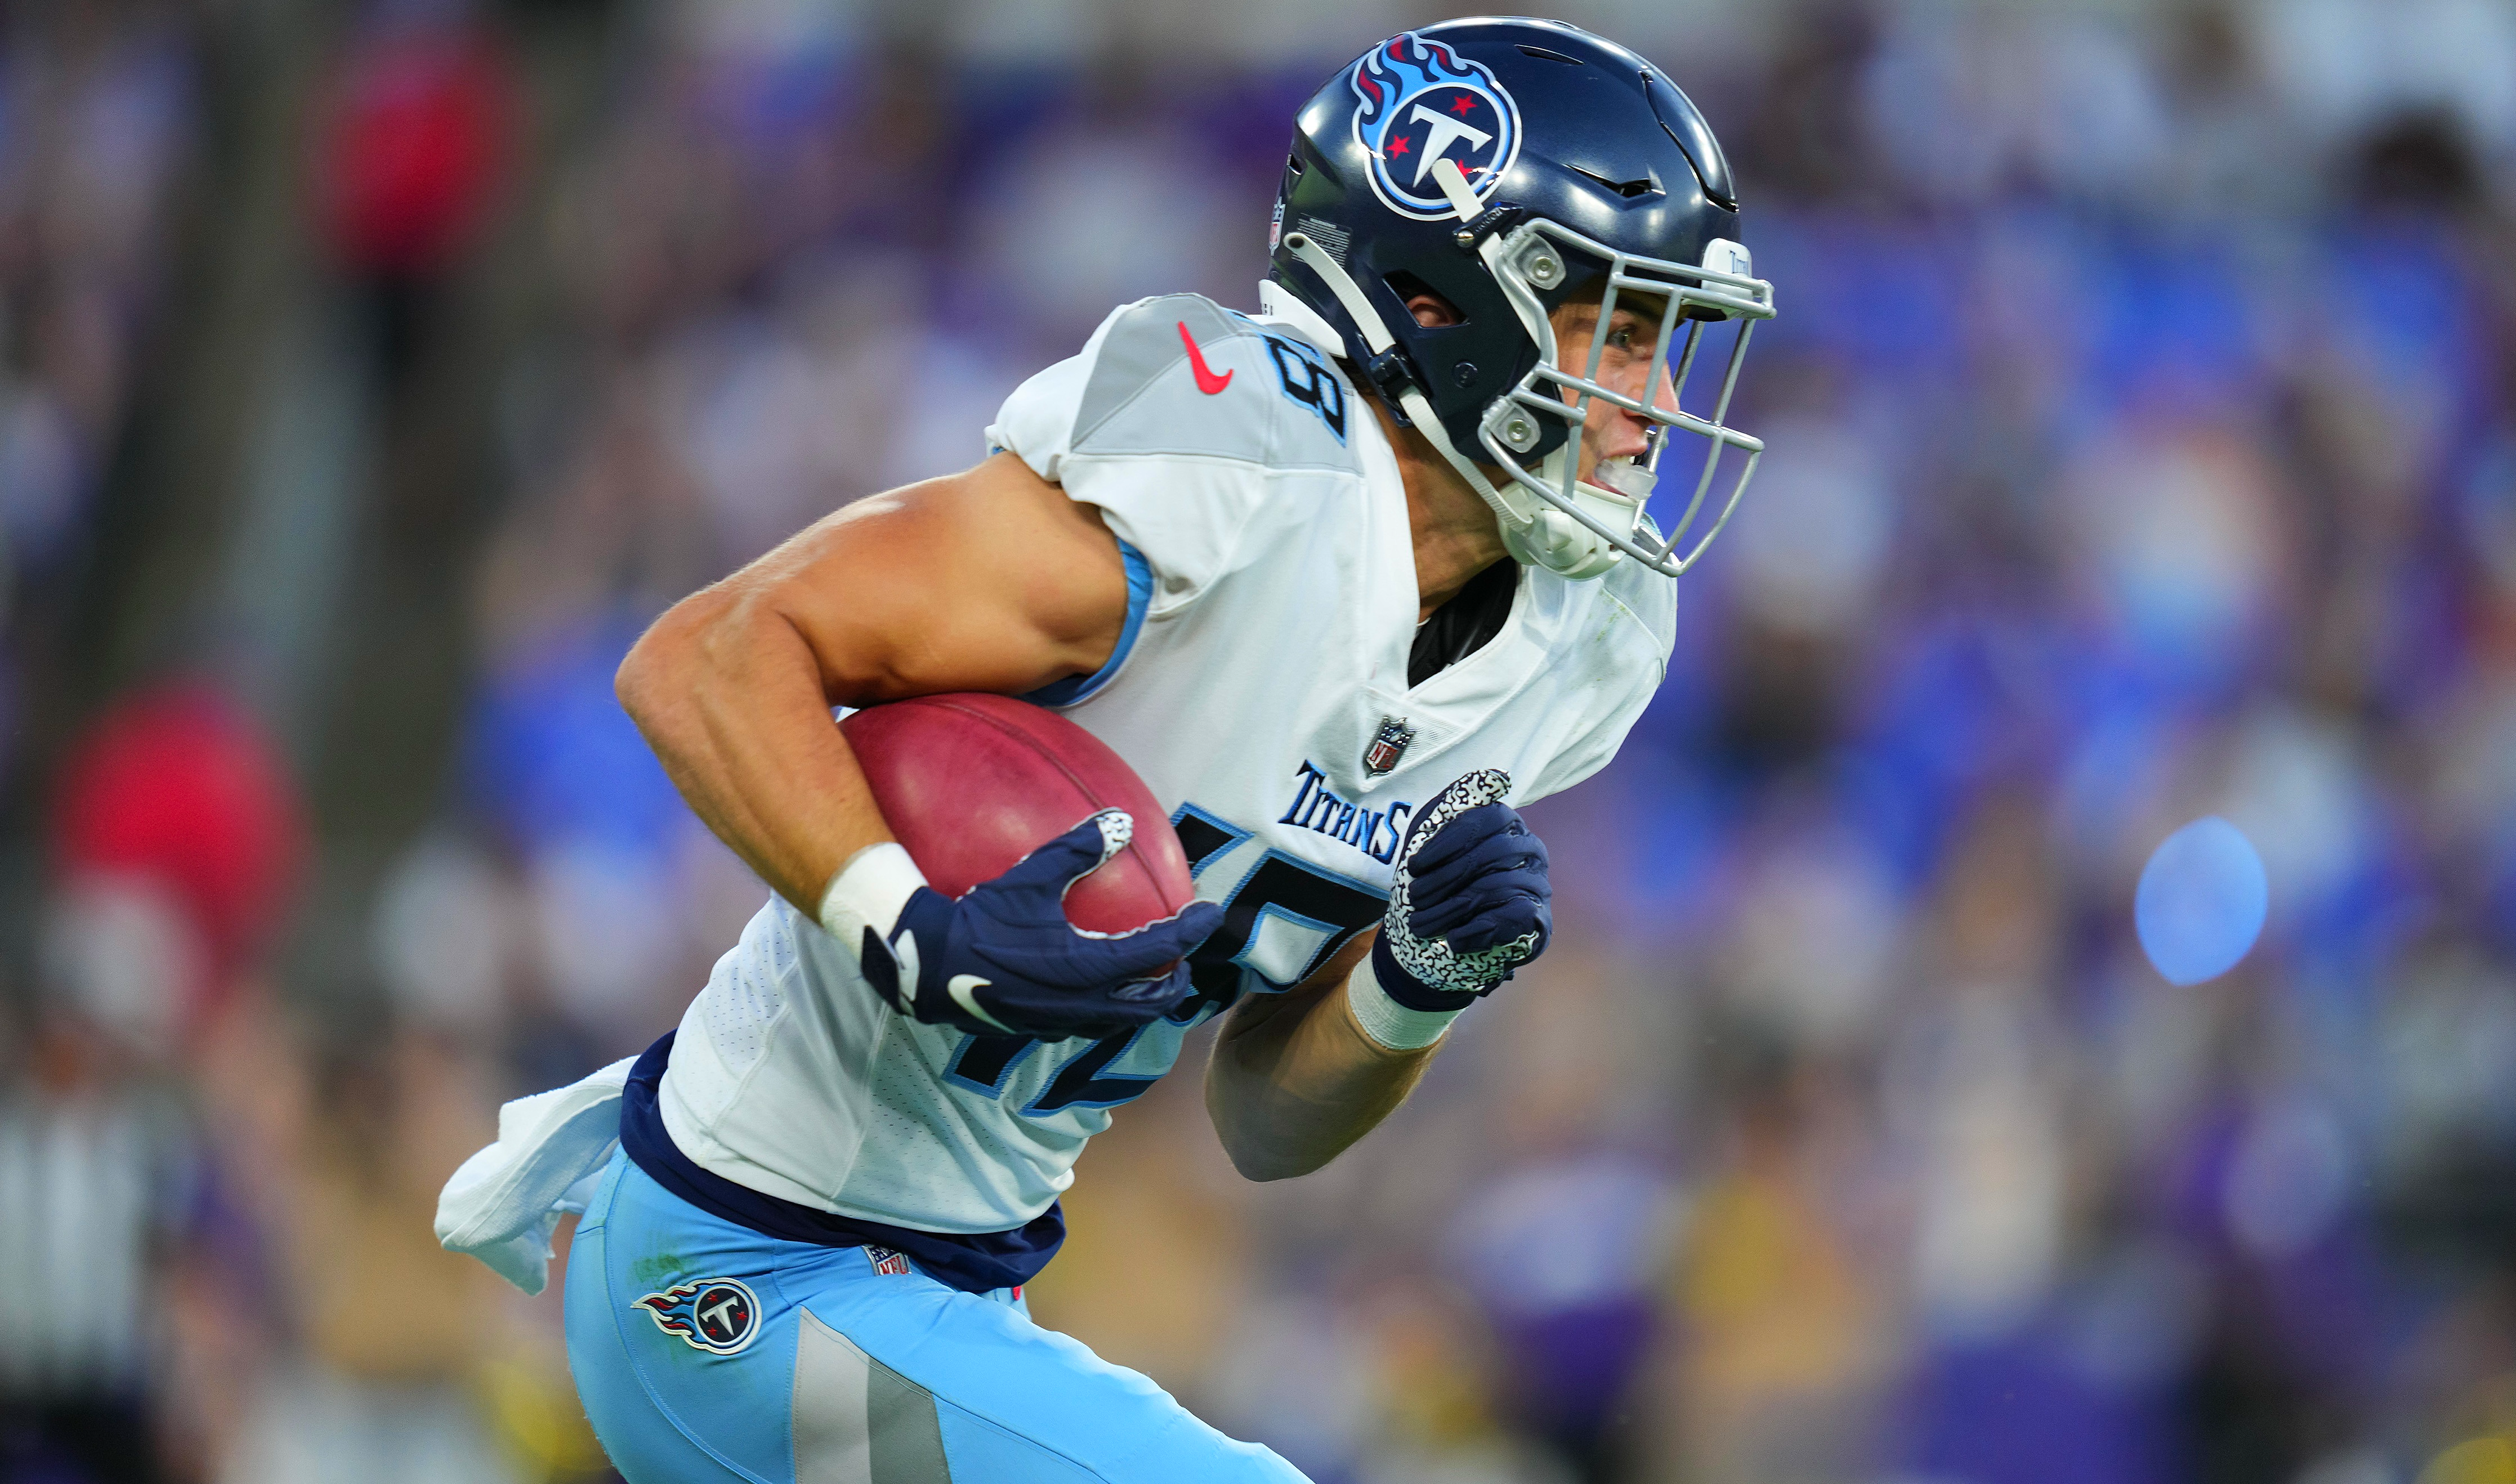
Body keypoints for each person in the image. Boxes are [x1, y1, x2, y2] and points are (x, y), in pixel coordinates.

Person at [436, 17, 1773, 1482]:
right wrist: (907, 924)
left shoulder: (1584, 635)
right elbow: (704, 655)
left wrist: (1408, 988)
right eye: (1621, 332)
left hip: (952, 1288)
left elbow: (1264, 1122)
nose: (1657, 404)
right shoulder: (1238, 469)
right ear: (1439, 302)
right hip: (741, 1260)